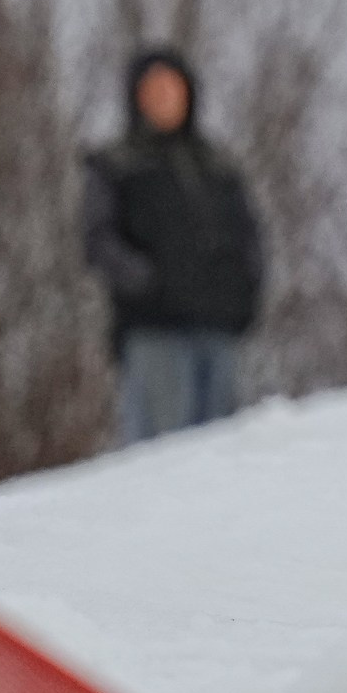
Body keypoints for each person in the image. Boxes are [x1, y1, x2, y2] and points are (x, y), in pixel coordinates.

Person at [82, 48, 266, 444]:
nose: (165, 97)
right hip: (154, 331)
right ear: (136, 97)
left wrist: (246, 291)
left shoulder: (219, 164)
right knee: (160, 458)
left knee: (223, 454)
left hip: (218, 327)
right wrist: (144, 281)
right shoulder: (114, 163)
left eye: (172, 86)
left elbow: (250, 235)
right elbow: (97, 239)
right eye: (154, 88)